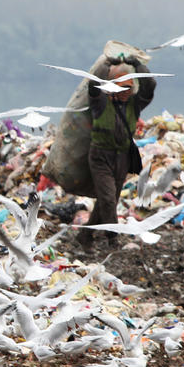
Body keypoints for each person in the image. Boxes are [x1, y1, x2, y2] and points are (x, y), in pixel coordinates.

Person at [77, 57, 156, 250]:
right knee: (108, 198)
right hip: (100, 156)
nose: (125, 91)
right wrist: (106, 65)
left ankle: (85, 235)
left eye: (129, 87)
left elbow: (150, 85)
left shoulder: (134, 104)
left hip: (122, 158)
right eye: (121, 87)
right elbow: (93, 84)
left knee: (107, 200)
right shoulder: (99, 102)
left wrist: (137, 65)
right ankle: (112, 238)